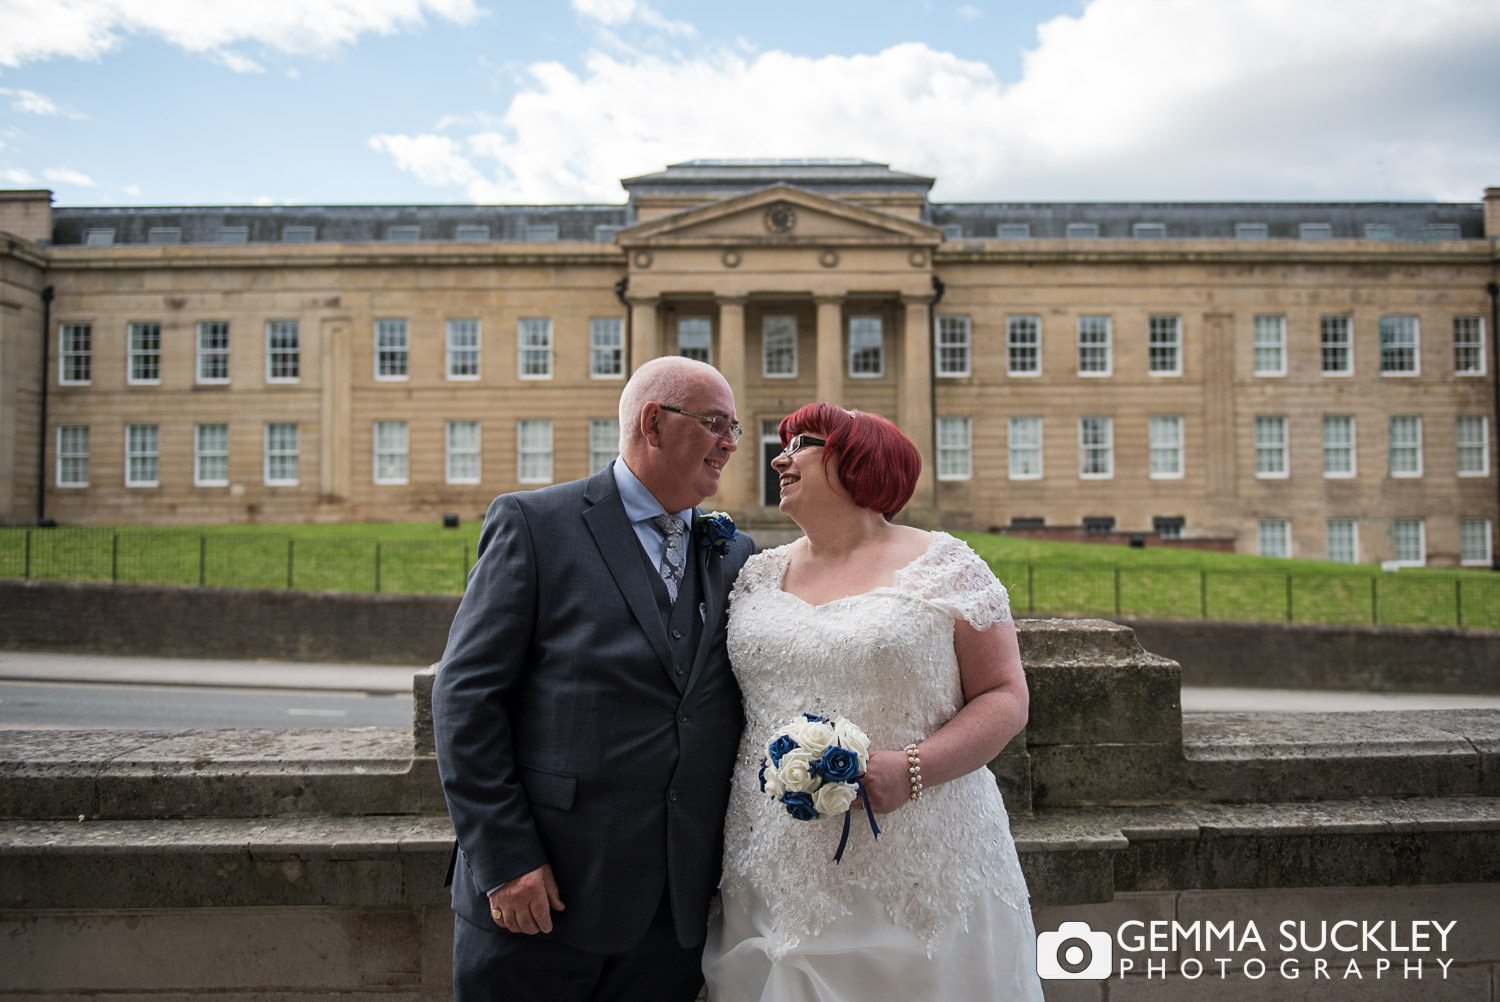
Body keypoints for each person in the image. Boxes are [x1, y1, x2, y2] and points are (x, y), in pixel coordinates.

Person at [432, 355, 756, 1002]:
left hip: (672, 917)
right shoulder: (534, 525)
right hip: (540, 899)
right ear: (654, 423)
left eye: (736, 429)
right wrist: (506, 862)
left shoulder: (734, 552)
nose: (730, 444)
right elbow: (465, 699)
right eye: (716, 424)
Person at [703, 403, 1045, 1001]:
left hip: (919, 858)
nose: (778, 457)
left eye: (800, 443)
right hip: (773, 861)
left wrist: (913, 768)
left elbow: (1005, 696)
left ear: (859, 456)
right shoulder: (755, 575)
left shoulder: (947, 565)